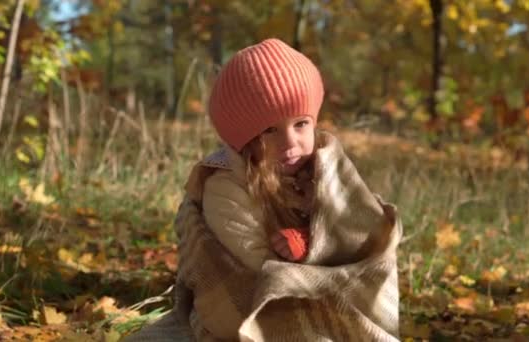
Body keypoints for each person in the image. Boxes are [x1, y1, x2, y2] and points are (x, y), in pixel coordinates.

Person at [124, 38, 402, 342]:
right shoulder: (226, 185)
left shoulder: (324, 165)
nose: (290, 142)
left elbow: (355, 223)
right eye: (270, 130)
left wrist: (316, 241)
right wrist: (304, 257)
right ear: (243, 138)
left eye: (301, 124)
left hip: (321, 289)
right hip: (254, 301)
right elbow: (253, 268)